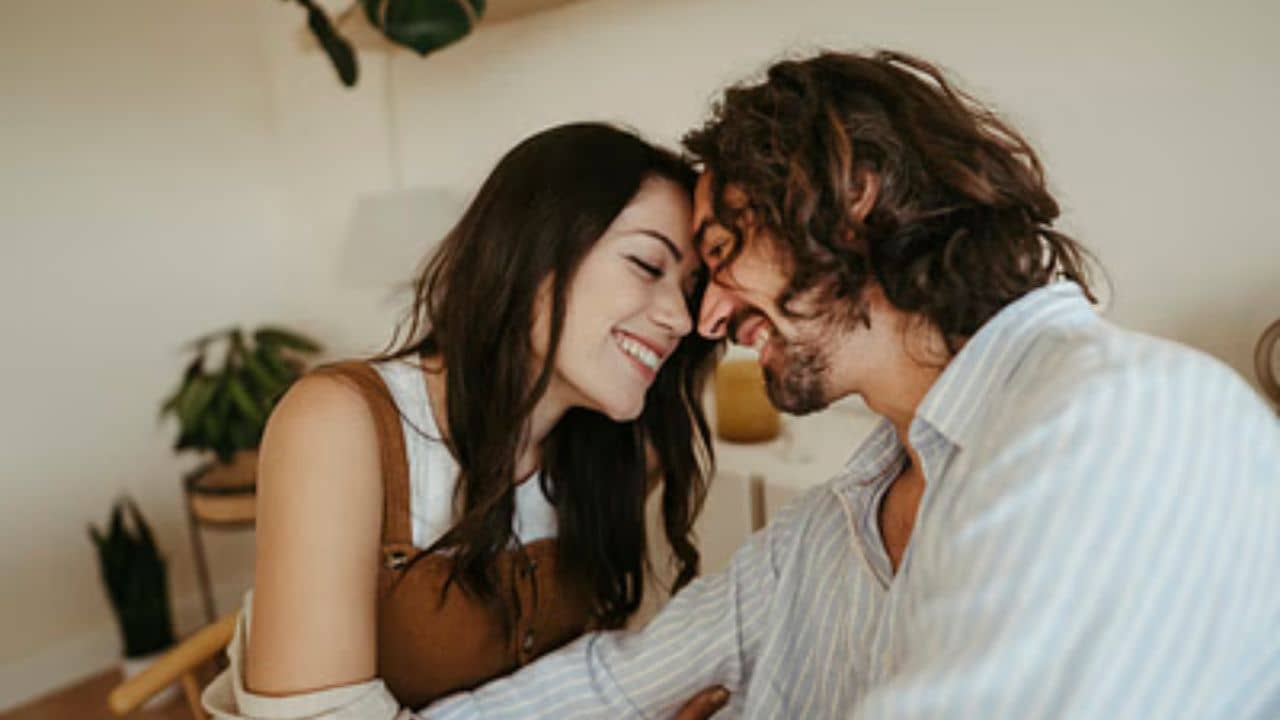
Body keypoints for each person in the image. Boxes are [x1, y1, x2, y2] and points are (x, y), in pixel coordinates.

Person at [421, 51, 1280, 719]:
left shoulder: (1129, 413)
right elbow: (606, 689)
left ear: (851, 198)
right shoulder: (820, 541)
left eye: (720, 253)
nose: (706, 320)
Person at [203, 122, 725, 719]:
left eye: (689, 290)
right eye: (647, 264)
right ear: (532, 249)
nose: (681, 319)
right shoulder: (337, 425)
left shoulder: (626, 453)